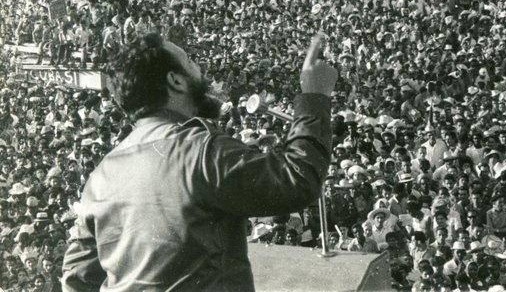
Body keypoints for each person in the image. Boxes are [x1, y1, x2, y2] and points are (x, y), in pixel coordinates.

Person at [61, 32, 335, 291]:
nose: (199, 67)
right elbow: (298, 179)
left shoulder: (100, 176)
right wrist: (314, 97)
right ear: (176, 81)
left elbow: (76, 277)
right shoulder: (201, 149)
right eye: (190, 61)